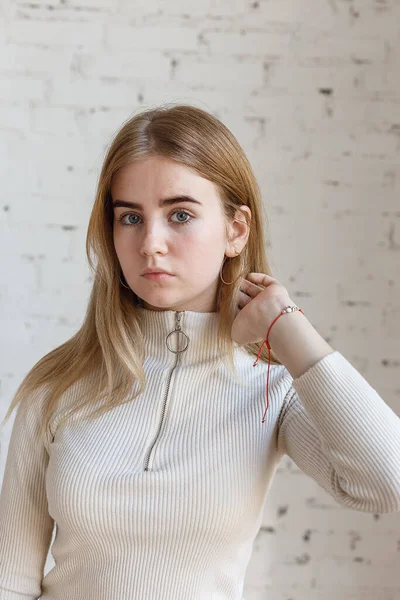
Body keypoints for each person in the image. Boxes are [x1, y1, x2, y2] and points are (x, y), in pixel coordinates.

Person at [0, 103, 399, 600]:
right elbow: (10, 581)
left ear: (236, 229)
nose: (151, 243)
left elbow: (388, 483)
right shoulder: (58, 382)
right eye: (130, 218)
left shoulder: (273, 386)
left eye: (180, 215)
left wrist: (290, 331)